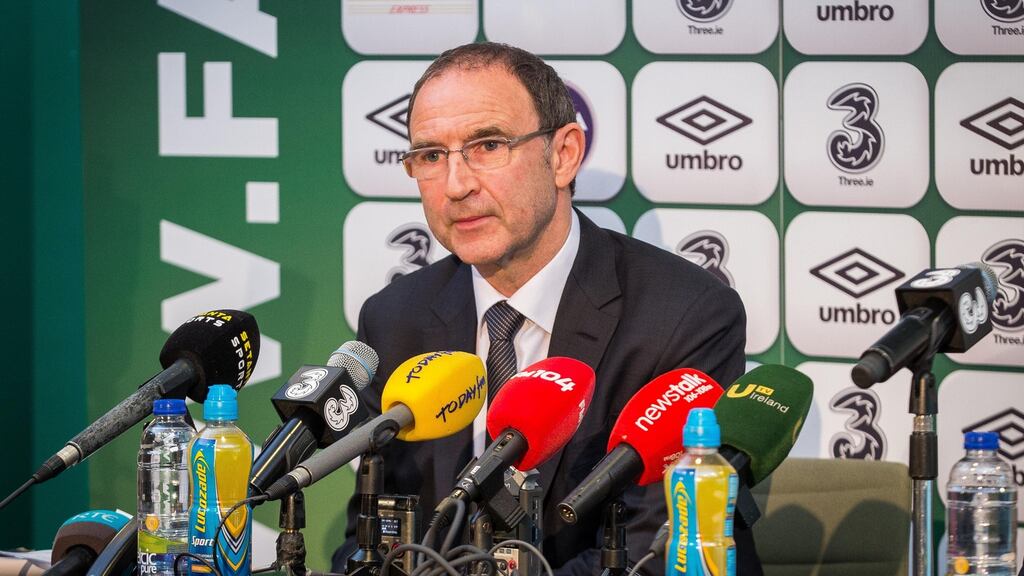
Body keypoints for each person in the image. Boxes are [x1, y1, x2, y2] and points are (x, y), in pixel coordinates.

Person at [333, 42, 759, 575]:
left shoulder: (684, 315)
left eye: (487, 145)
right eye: (431, 156)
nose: (457, 185)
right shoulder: (395, 318)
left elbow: (662, 548)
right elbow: (375, 534)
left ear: (563, 155)